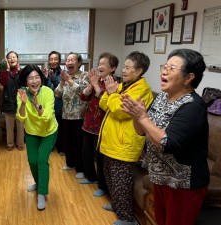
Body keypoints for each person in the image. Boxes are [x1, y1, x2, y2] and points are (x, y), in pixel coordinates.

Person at [121, 49, 209, 225]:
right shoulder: (162, 97)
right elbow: (141, 131)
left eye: (172, 68)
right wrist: (136, 116)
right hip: (160, 177)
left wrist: (143, 117)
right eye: (165, 66)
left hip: (183, 183)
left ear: (188, 77)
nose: (164, 71)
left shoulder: (193, 106)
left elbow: (167, 142)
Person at [98, 51, 153, 225]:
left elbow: (120, 111)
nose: (123, 70)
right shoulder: (125, 85)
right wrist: (111, 93)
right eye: (124, 66)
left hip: (124, 145)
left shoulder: (141, 90)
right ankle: (118, 205)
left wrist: (112, 94)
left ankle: (127, 219)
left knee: (121, 181)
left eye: (128, 67)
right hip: (111, 142)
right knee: (110, 176)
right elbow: (103, 104)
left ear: (140, 70)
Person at [16, 64, 58, 211]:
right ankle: (39, 182)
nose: (34, 81)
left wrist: (38, 105)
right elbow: (21, 118)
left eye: (37, 77)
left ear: (41, 78)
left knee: (41, 160)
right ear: (25, 81)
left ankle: (41, 192)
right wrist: (23, 103)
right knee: (32, 161)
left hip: (49, 131)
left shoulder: (47, 92)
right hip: (32, 131)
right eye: (30, 78)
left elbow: (47, 117)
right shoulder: (22, 93)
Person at [79, 53, 118, 199]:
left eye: (104, 64)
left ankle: (102, 186)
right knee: (85, 153)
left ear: (113, 68)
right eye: (99, 63)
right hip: (88, 124)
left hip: (102, 127)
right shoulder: (97, 81)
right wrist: (91, 85)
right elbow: (82, 97)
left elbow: (107, 103)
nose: (100, 66)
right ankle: (91, 177)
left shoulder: (114, 84)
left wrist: (96, 85)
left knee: (100, 159)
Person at [54, 52, 88, 179]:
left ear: (79, 63)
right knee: (67, 141)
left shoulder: (84, 76)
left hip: (79, 116)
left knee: (78, 143)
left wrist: (69, 81)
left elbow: (83, 92)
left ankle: (80, 168)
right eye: (67, 60)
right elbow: (57, 94)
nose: (69, 62)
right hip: (66, 115)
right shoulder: (65, 77)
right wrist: (63, 82)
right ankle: (70, 163)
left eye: (72, 60)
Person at [0, 51, 25, 151]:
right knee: (9, 126)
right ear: (7, 60)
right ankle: (10, 144)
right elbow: (4, 82)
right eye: (9, 58)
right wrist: (6, 69)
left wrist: (19, 70)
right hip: (8, 102)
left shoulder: (21, 72)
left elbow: (23, 82)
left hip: (20, 104)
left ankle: (20, 143)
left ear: (17, 59)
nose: (12, 59)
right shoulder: (4, 72)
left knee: (20, 126)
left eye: (14, 57)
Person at [43, 51, 64, 156]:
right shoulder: (48, 72)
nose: (53, 61)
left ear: (59, 61)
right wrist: (45, 78)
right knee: (49, 126)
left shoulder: (63, 73)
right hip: (49, 105)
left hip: (59, 105)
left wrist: (52, 78)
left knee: (59, 126)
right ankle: (50, 146)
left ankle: (60, 147)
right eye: (51, 59)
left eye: (55, 59)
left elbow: (60, 88)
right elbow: (45, 89)